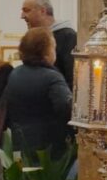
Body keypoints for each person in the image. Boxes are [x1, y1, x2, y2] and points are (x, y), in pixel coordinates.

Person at [4, 27, 73, 159]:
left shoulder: (15, 73)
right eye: (53, 47)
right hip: (47, 148)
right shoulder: (52, 77)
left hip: (20, 143)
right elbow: (65, 107)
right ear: (46, 52)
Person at [21, 0, 76, 88]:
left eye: (26, 10)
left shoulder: (68, 36)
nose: (22, 16)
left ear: (42, 11)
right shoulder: (32, 37)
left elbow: (71, 76)